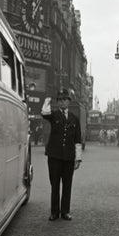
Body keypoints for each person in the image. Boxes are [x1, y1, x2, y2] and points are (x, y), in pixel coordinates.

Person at [41, 88, 82, 221]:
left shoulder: (74, 119)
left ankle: (65, 211)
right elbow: (44, 113)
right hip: (54, 156)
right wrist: (48, 100)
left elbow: (77, 140)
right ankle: (54, 212)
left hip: (69, 158)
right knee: (55, 185)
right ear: (58, 102)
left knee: (67, 185)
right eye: (60, 100)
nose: (62, 102)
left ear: (68, 101)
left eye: (65, 99)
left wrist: (78, 159)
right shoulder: (53, 115)